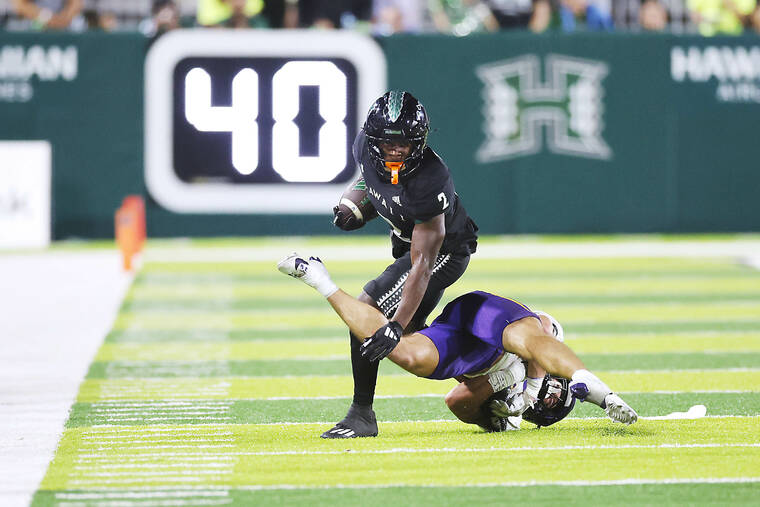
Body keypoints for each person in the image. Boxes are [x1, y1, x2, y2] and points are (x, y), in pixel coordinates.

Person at [277, 254, 639, 432]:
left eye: (543, 404)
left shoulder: (508, 408)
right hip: (489, 320)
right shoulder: (542, 363)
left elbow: (458, 403)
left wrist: (497, 410)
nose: (545, 396)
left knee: (408, 356)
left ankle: (319, 279)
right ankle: (597, 388)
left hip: (469, 355)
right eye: (552, 392)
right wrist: (530, 386)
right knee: (527, 338)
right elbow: (544, 328)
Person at [328, 90, 479, 438]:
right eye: (388, 143)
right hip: (409, 246)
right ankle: (494, 376)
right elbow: (372, 180)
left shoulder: (431, 179)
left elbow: (423, 264)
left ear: (420, 142)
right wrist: (357, 206)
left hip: (443, 252)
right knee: (415, 339)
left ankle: (361, 413)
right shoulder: (365, 146)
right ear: (373, 139)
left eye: (406, 144)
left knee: (367, 308)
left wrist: (393, 323)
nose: (396, 151)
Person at [11, 0, 83, 30]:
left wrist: (64, 19)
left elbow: (76, 4)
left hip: (62, 21)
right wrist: (46, 17)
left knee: (78, 24)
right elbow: (20, 5)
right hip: (36, 21)